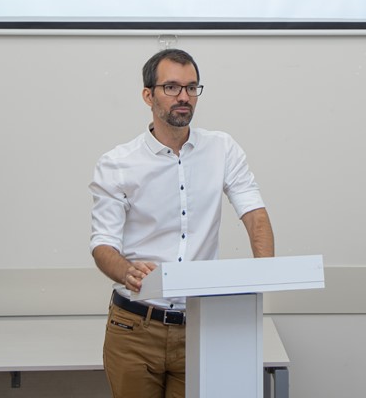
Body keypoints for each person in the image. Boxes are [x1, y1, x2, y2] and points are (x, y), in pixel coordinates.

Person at [89, 48, 274, 398]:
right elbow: (103, 244)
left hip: (201, 325)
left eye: (191, 87)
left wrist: (265, 272)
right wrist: (126, 271)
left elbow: (254, 213)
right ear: (148, 96)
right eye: (171, 87)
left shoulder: (222, 148)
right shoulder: (117, 163)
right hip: (135, 328)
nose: (184, 97)